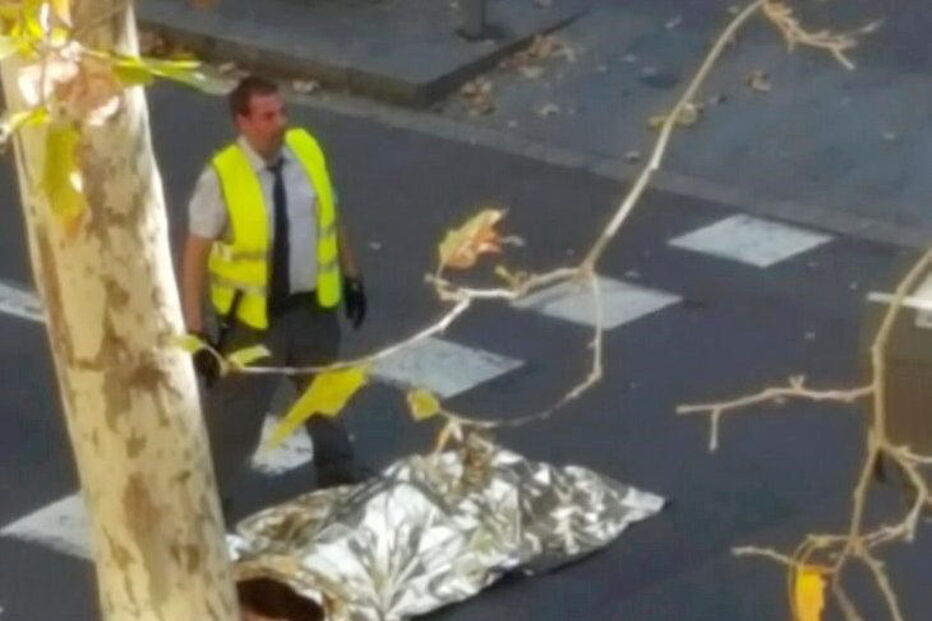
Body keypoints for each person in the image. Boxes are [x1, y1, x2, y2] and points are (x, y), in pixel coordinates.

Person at [181, 75, 368, 501]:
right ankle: (208, 503)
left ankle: (339, 477)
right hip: (254, 323)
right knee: (235, 421)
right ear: (242, 122)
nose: (280, 122)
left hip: (313, 308)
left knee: (325, 397)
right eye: (267, 116)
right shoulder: (222, 177)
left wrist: (352, 276)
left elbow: (331, 214)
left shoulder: (306, 149)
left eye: (282, 112)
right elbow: (195, 255)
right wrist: (196, 332)